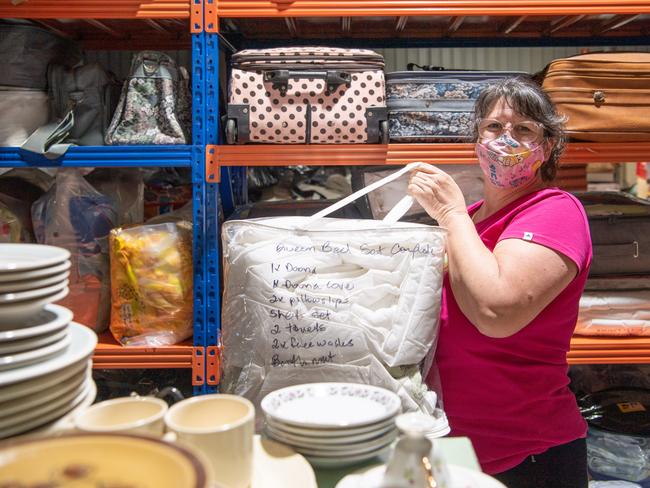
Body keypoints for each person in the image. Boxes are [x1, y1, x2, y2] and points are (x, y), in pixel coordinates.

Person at [408, 76, 591, 488]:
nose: (505, 138)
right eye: (493, 127)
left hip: (526, 452)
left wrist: (449, 215)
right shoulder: (471, 218)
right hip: (452, 445)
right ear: (476, 139)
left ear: (547, 147)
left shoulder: (554, 210)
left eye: (523, 129)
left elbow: (496, 312)